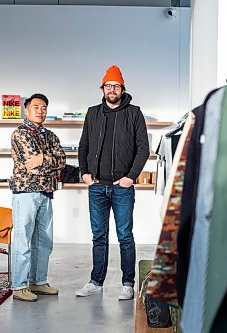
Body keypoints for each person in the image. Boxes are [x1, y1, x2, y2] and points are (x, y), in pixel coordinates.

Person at [76, 65, 150, 300]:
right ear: (103, 89)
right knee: (98, 236)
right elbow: (84, 145)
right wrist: (84, 173)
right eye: (108, 86)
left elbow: (143, 149)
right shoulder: (93, 112)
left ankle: (128, 283)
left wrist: (130, 177)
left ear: (122, 89)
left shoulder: (134, 113)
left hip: (122, 186)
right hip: (96, 185)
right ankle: (96, 282)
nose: (112, 90)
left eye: (116, 86)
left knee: (124, 235)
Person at [9, 93, 66, 302]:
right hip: (26, 192)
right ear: (26, 109)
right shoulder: (20, 134)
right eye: (36, 107)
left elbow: (63, 160)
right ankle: (19, 286)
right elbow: (31, 166)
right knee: (23, 240)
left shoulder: (50, 135)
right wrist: (49, 159)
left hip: (46, 193)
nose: (40, 111)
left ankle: (38, 282)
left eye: (43, 107)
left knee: (44, 242)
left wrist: (43, 158)